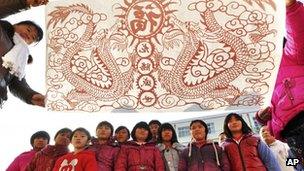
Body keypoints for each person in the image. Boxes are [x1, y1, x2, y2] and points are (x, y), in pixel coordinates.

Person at [255, 0, 304, 165]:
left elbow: (297, 33)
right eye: (263, 134)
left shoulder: (291, 55)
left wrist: (290, 7)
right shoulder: (265, 150)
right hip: (291, 134)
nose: (265, 135)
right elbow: (290, 163)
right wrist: (261, 117)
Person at [0, 0, 48, 108]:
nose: (28, 34)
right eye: (28, 29)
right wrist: (23, 3)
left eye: (32, 38)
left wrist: (31, 96)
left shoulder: (20, 58)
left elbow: (16, 83)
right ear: (15, 25)